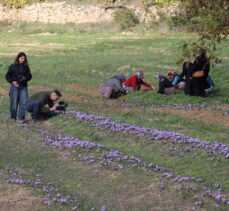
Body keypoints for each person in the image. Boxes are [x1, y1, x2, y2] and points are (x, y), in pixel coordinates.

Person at [5, 52, 32, 123]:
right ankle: (13, 118)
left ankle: (21, 119)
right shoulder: (13, 66)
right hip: (14, 87)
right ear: (18, 58)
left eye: (24, 58)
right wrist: (13, 81)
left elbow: (30, 76)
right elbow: (7, 76)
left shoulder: (26, 67)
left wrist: (25, 78)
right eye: (21, 58)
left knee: (23, 103)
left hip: (23, 87)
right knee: (14, 103)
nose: (23, 60)